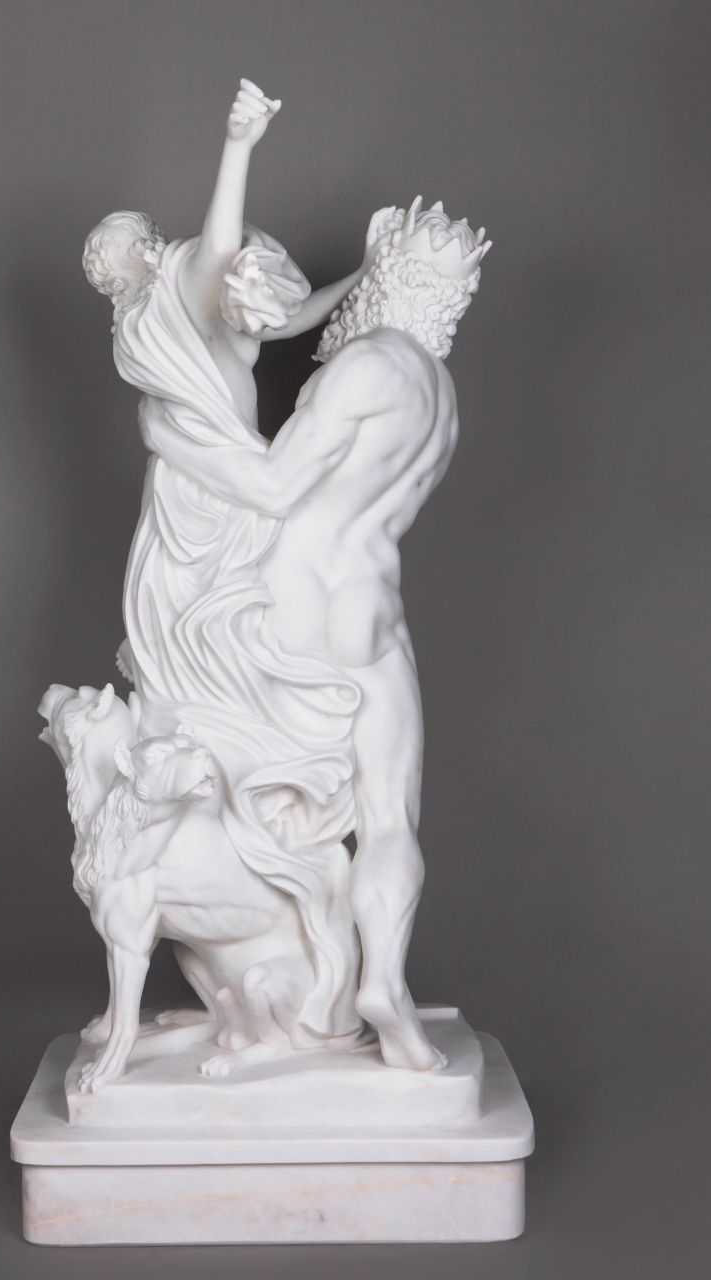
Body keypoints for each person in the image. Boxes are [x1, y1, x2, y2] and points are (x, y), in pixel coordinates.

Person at [142, 197, 491, 1070]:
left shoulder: (366, 365)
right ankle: (380, 984)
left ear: (388, 278)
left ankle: (274, 976)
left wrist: (166, 434)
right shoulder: (438, 393)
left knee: (249, 785)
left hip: (298, 605)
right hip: (375, 608)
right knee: (387, 817)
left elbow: (271, 487)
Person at [81, 81, 385, 1053]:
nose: (116, 264)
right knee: (182, 678)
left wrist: (239, 144)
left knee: (240, 663)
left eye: (121, 248)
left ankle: (264, 859)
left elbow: (248, 280)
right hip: (184, 515)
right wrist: (237, 143)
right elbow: (227, 269)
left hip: (216, 508)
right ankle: (214, 875)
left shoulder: (192, 299)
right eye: (110, 259)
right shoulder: (153, 321)